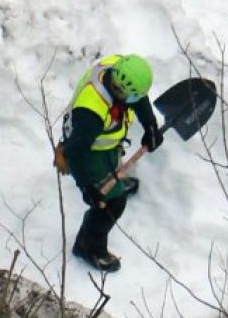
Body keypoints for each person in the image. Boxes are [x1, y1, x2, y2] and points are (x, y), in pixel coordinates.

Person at [54, 54, 163, 274]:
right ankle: (88, 247)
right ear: (120, 90)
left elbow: (139, 98)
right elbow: (76, 153)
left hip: (104, 142)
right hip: (86, 150)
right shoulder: (92, 111)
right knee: (113, 205)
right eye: (132, 96)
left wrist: (150, 125)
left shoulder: (117, 67)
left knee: (113, 164)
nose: (137, 100)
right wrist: (88, 188)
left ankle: (115, 183)